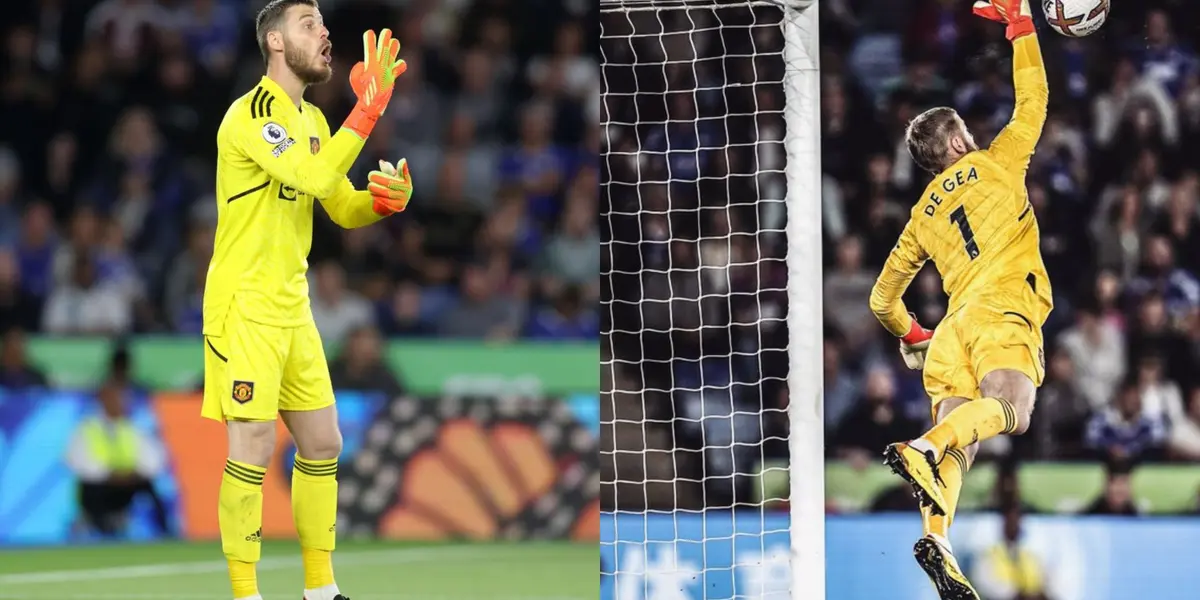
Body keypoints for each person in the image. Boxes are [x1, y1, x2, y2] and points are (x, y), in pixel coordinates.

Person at [200, 2, 414, 599]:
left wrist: (381, 202)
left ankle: (319, 590)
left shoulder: (314, 120)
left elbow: (339, 203)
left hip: (293, 307)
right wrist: (368, 111)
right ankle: (245, 595)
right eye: (309, 25)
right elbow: (316, 178)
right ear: (274, 42)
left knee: (323, 444)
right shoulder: (251, 116)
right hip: (243, 306)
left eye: (324, 24)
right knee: (251, 445)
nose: (325, 35)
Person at [867, 0, 1050, 597]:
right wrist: (1021, 25)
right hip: (1002, 311)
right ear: (960, 141)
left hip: (951, 332)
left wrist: (914, 336)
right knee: (1013, 411)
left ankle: (938, 542)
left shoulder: (921, 215)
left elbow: (882, 300)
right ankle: (920, 447)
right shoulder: (999, 164)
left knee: (958, 453)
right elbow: (1035, 100)